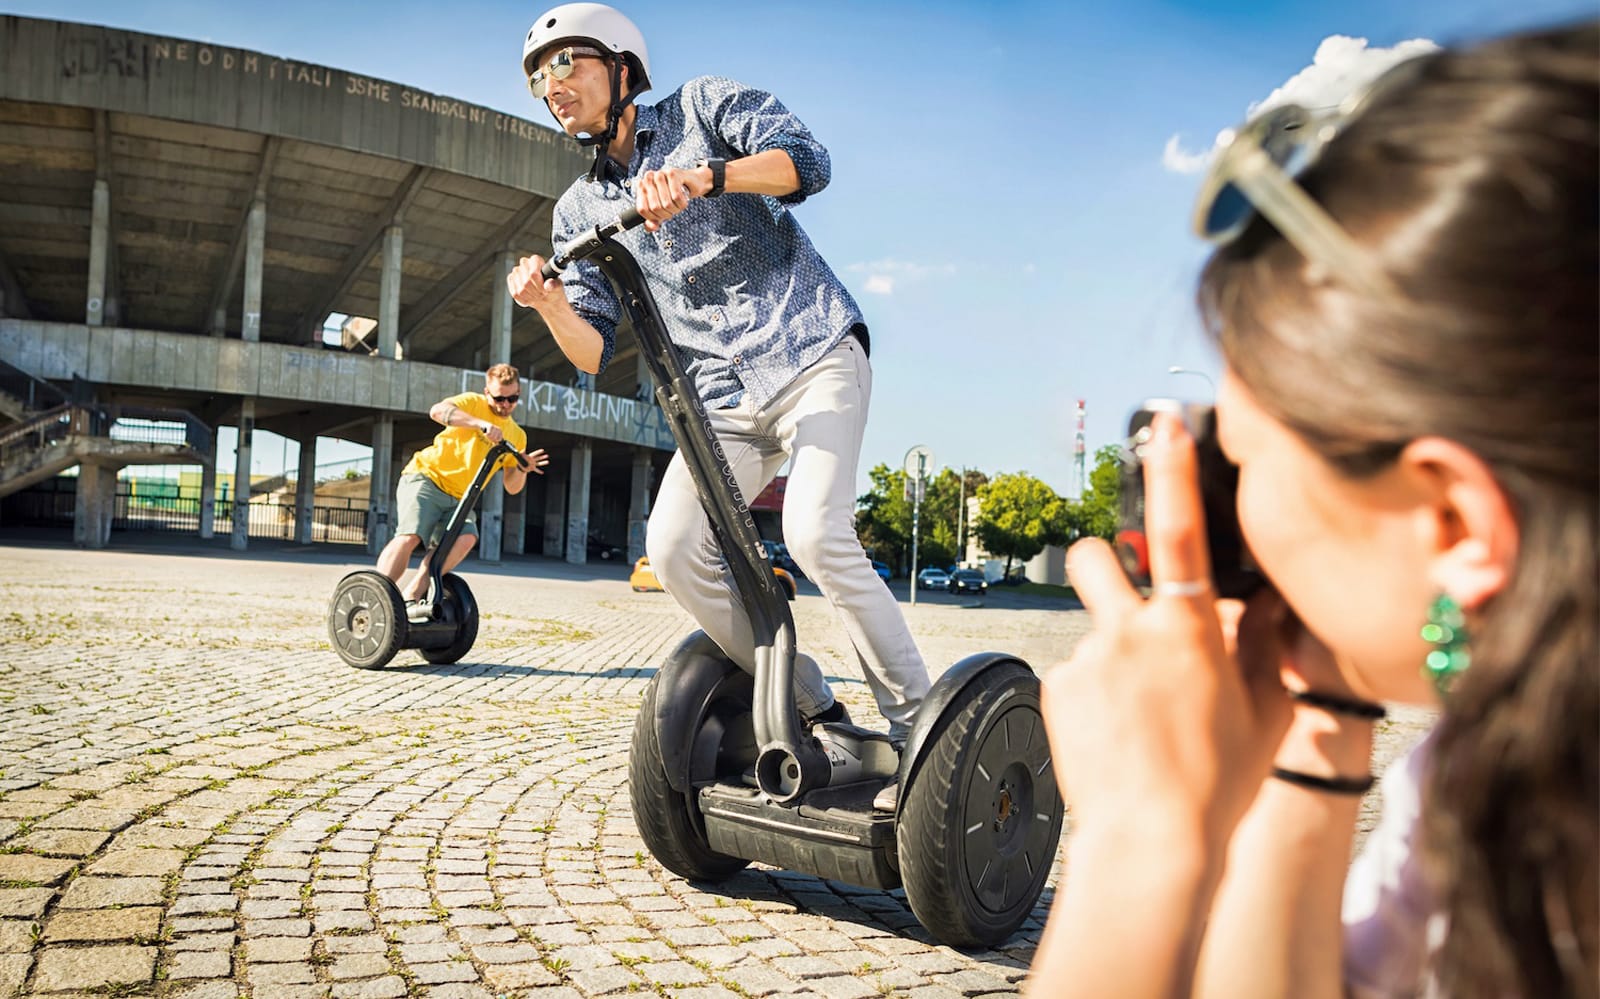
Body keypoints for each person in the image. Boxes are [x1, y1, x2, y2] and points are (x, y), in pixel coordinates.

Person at [1028, 21, 1596, 999]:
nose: (1232, 502)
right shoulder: (1504, 750)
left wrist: (1140, 845)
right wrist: (1320, 730)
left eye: (1242, 459)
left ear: (1455, 523)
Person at [504, 3, 930, 808]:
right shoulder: (576, 211)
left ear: (621, 66)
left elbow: (809, 162)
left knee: (812, 530)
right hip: (721, 398)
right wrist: (548, 304)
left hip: (811, 349)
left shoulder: (702, 106)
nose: (550, 86)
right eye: (538, 77)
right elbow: (593, 347)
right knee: (671, 548)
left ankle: (917, 731)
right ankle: (812, 701)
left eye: (565, 65)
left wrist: (709, 176)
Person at [375, 363, 549, 619]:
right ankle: (375, 595)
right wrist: (481, 425)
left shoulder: (517, 435)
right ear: (487, 392)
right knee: (411, 536)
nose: (505, 404)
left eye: (512, 398)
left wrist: (522, 468)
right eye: (499, 398)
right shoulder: (471, 403)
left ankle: (412, 595)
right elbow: (437, 411)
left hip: (460, 497)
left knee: (466, 538)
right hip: (427, 478)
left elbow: (512, 488)